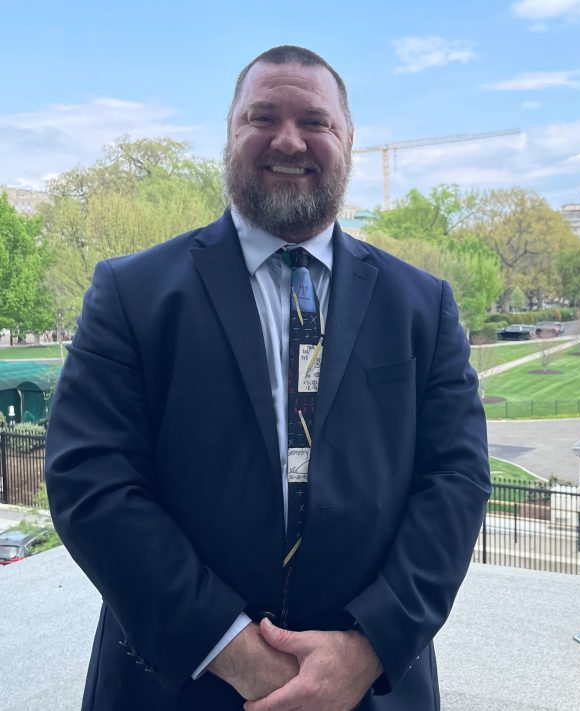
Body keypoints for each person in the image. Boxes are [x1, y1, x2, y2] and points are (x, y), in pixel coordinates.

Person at [44, 45, 490, 711]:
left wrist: (366, 648)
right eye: (262, 117)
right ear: (229, 133)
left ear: (348, 140)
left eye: (315, 121)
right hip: (175, 682)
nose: (289, 139)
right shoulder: (131, 293)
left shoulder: (423, 306)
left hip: (369, 690)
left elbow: (456, 480)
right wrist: (232, 650)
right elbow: (90, 479)